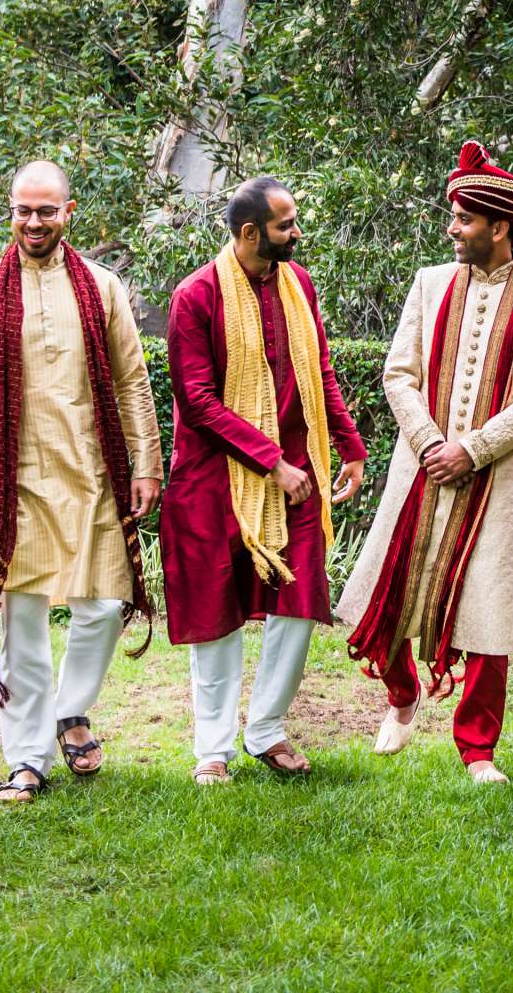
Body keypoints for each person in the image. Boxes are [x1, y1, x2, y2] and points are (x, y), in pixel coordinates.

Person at [338, 142, 513, 784]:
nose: (453, 228)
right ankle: (401, 694)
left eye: (463, 218)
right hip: (419, 470)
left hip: (494, 478)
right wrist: (429, 445)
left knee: (487, 613)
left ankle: (477, 749)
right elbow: (399, 373)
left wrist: (469, 451)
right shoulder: (430, 282)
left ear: (499, 227)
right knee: (382, 594)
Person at [0, 160, 163, 805]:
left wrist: (146, 462)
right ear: (10, 212)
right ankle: (28, 758)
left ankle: (71, 712)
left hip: (94, 474)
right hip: (14, 484)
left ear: (70, 212)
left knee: (100, 607)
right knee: (23, 620)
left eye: (46, 211)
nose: (33, 223)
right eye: (22, 211)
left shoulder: (103, 287)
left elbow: (131, 379)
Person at [160, 175, 367, 784]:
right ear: (250, 233)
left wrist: (348, 443)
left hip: (297, 469)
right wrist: (269, 462)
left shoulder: (296, 284)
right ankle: (213, 748)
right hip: (215, 474)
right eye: (286, 225)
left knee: (300, 602)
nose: (297, 233)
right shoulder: (196, 296)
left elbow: (318, 368)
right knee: (217, 610)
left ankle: (268, 729)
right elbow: (196, 400)